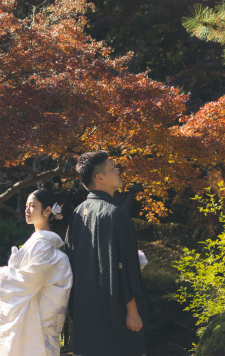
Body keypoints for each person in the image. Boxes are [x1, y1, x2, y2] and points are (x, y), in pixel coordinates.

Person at [65, 151, 146, 356]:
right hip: (114, 313)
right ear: (99, 178)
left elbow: (69, 265)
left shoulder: (78, 213)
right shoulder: (114, 214)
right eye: (112, 167)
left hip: (85, 312)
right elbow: (124, 265)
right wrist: (132, 311)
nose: (117, 170)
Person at [0, 188, 73, 356]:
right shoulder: (39, 241)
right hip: (35, 318)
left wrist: (4, 272)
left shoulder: (43, 244)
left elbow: (30, 280)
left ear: (47, 211)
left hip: (38, 320)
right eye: (26, 206)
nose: (27, 210)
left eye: (33, 206)